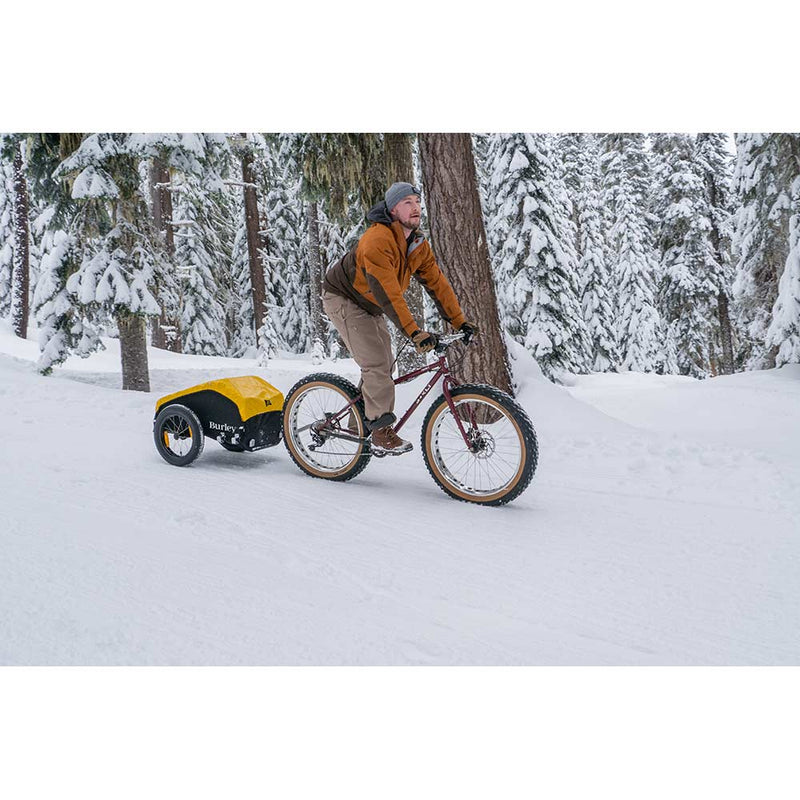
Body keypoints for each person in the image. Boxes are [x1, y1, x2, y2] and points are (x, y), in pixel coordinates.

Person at [322, 181, 477, 455]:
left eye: (417, 202)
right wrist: (414, 332)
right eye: (408, 203)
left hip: (370, 304)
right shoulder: (376, 240)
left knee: (382, 368)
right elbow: (389, 294)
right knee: (377, 364)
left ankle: (357, 425)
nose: (416, 208)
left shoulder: (417, 244)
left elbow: (438, 284)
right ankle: (380, 430)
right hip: (344, 299)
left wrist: (459, 321)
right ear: (393, 209)